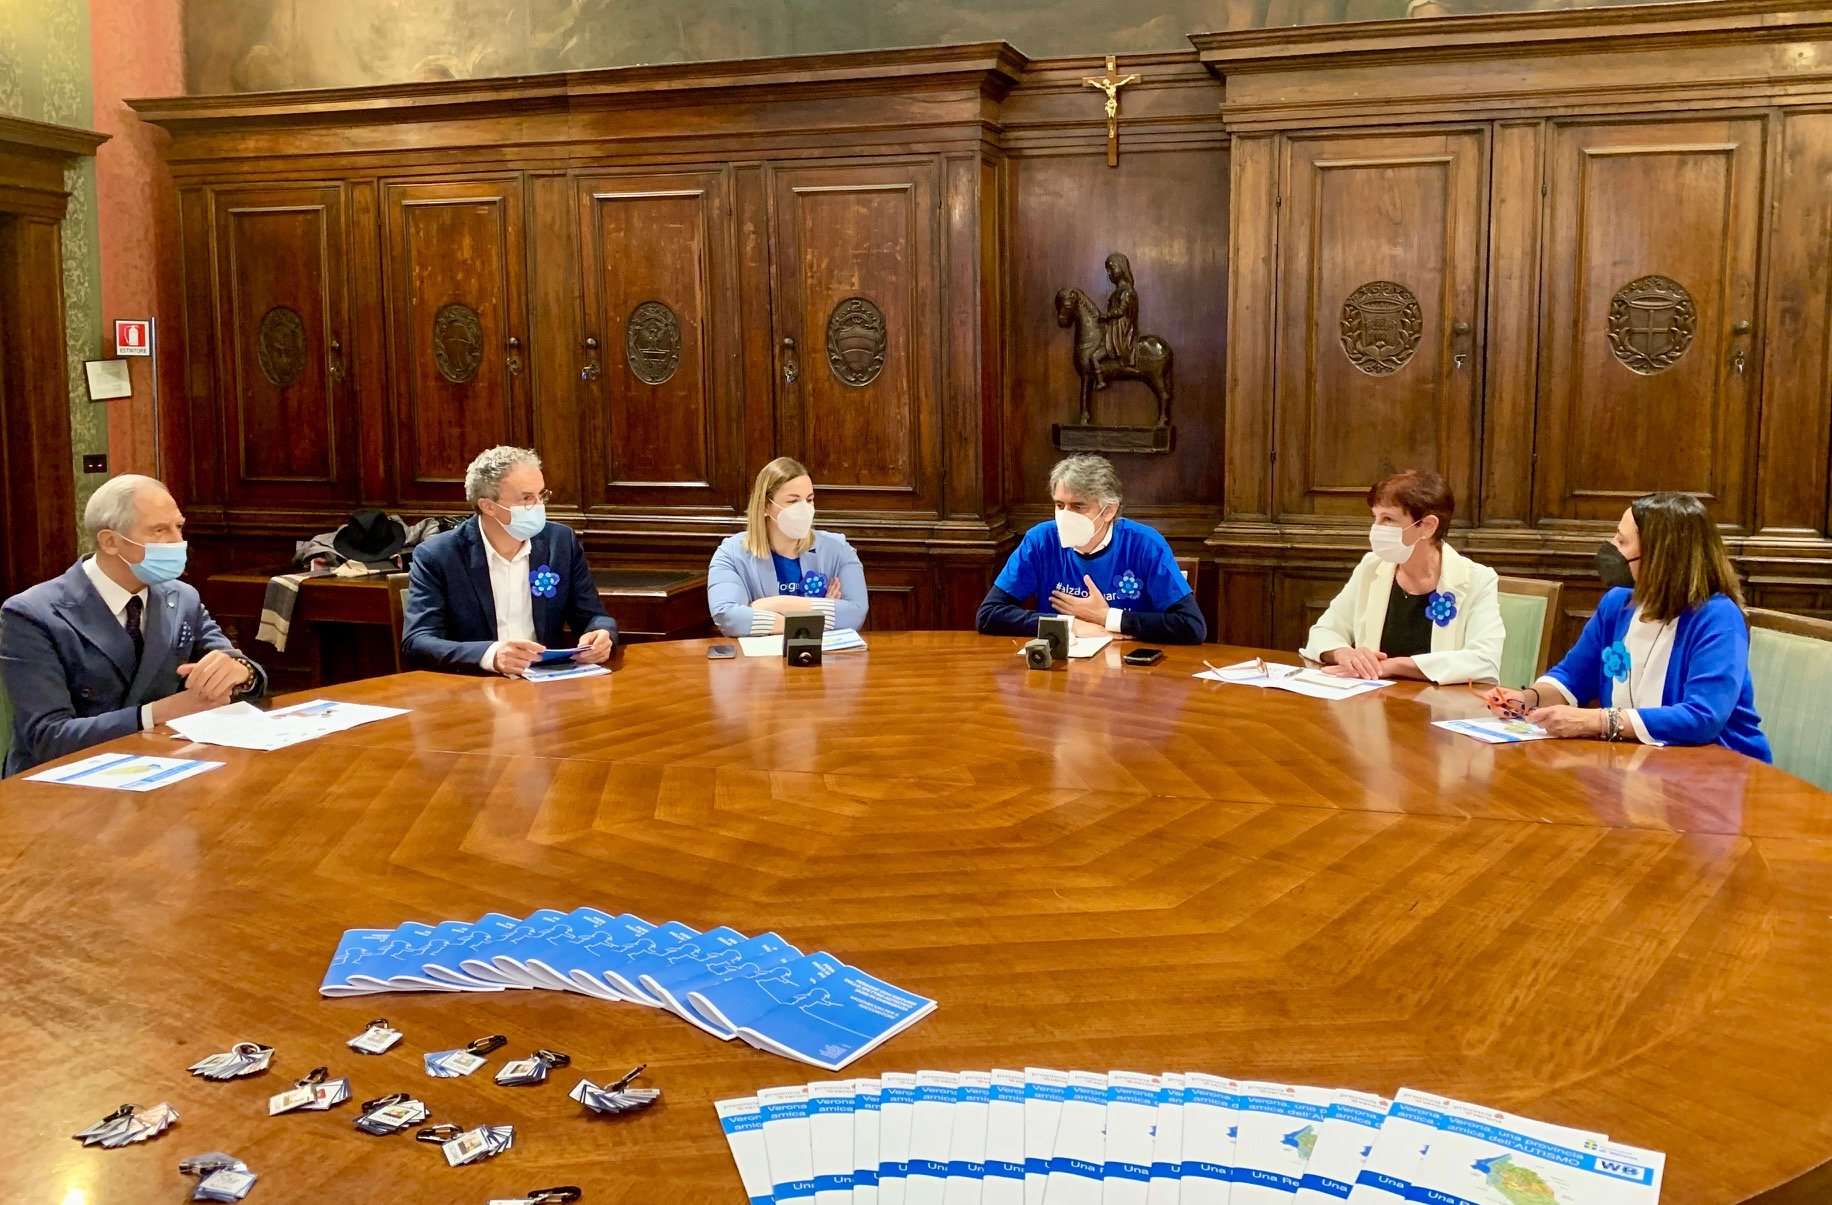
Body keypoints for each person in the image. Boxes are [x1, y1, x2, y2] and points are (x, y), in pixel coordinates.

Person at [1, 474, 265, 776]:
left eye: (179, 527)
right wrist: (156, 713)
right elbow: (47, 737)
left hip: (162, 766)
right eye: (159, 530)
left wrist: (241, 672)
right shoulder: (32, 613)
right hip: (60, 783)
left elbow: (235, 664)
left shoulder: (182, 597)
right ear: (110, 541)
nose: (177, 542)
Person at [1485, 492, 1770, 759]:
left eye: (1622, 542)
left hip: (1719, 769)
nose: (1612, 548)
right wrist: (1527, 699)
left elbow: (1702, 717)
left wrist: (1598, 721)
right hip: (1639, 765)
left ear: (1660, 557)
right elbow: (1573, 676)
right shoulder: (1617, 604)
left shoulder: (1717, 617)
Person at [401, 446, 617, 676]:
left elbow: (593, 616)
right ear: (488, 506)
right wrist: (491, 656)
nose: (539, 506)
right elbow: (417, 642)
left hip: (547, 682)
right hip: (475, 684)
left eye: (541, 495)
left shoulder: (561, 543)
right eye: (526, 498)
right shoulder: (439, 555)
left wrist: (602, 634)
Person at [977, 454, 1205, 644]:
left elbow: (1191, 626)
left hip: (1129, 669)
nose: (1065, 516)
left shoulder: (1145, 545)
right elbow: (989, 614)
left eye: (1078, 506)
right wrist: (1070, 625)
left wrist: (1107, 617)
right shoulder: (1040, 541)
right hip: (1060, 669)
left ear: (1109, 511)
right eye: (1059, 505)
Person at [1301, 470, 1504, 683]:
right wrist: (1343, 653)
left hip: (1441, 701)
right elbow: (1324, 631)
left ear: (1427, 526)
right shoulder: (1371, 567)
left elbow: (1484, 660)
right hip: (1373, 699)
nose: (1376, 529)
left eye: (1388, 519)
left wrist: (1392, 666)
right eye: (1375, 517)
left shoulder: (1478, 580)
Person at [708, 458, 868, 637]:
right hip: (761, 655)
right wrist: (819, 615)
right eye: (793, 501)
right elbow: (728, 617)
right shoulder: (730, 554)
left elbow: (855, 613)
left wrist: (771, 605)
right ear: (765, 505)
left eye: (809, 500)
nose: (805, 509)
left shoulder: (838, 549)